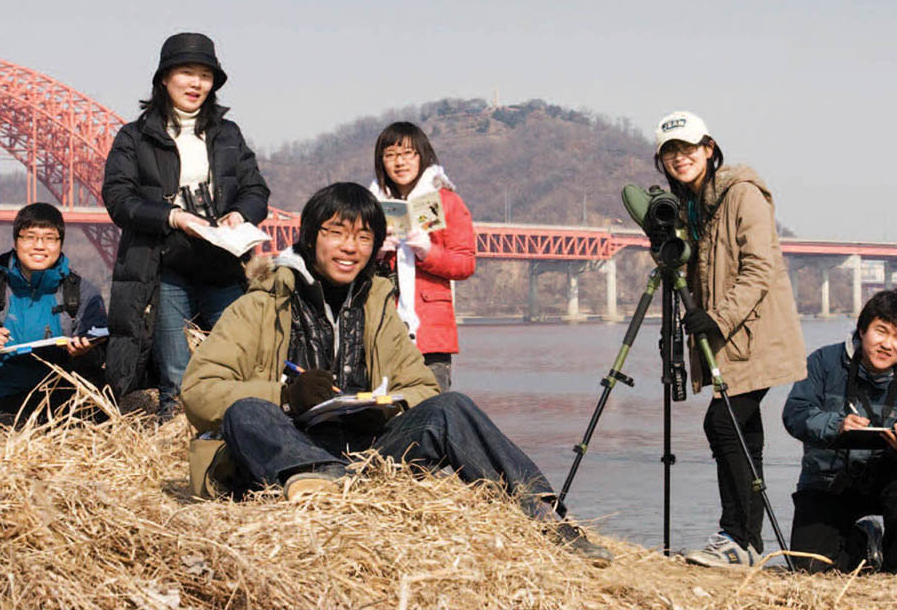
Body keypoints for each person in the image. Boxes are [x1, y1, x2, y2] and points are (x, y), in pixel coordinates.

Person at [180, 182, 611, 565]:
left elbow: (421, 386)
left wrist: (385, 410)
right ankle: (315, 480)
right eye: (336, 233)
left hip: (364, 459)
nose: (350, 247)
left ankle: (542, 515)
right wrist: (287, 396)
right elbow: (199, 392)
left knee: (450, 406)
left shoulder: (378, 308)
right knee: (248, 411)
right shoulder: (259, 306)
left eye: (364, 237)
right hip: (281, 455)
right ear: (310, 239)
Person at [652, 111, 806, 567]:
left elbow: (760, 269)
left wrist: (716, 318)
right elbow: (690, 269)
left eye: (688, 148)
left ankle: (737, 538)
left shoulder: (741, 194)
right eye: (670, 152)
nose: (681, 158)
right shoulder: (692, 206)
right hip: (729, 337)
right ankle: (747, 542)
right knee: (744, 432)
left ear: (709, 149)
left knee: (723, 424)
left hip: (753, 333)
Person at [102, 32, 270, 422]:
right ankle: (175, 442)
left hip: (222, 262)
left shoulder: (228, 134)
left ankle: (239, 431)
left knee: (240, 359)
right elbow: (118, 199)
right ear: (164, 78)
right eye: (186, 73)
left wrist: (240, 214)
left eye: (205, 76)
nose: (196, 84)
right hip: (166, 266)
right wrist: (173, 217)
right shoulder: (134, 137)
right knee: (176, 375)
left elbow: (255, 188)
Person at [0, 202, 107, 424]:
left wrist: (84, 352)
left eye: (49, 238)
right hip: (1, 394)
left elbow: (101, 356)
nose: (39, 246)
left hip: (63, 392)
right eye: (30, 237)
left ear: (60, 243)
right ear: (16, 242)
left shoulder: (82, 292)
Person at [783, 289, 897, 573]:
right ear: (862, 330)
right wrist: (836, 424)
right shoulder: (824, 361)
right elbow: (795, 414)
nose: (888, 344)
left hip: (891, 476)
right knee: (810, 567)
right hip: (829, 479)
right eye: (881, 331)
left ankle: (893, 567)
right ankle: (864, 545)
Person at [368, 121, 475, 390]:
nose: (399, 162)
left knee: (432, 412)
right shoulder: (369, 205)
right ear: (381, 162)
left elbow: (465, 263)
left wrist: (428, 252)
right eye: (391, 155)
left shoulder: (446, 202)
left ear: (422, 156)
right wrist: (376, 252)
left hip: (430, 334)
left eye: (407, 154)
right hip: (380, 327)